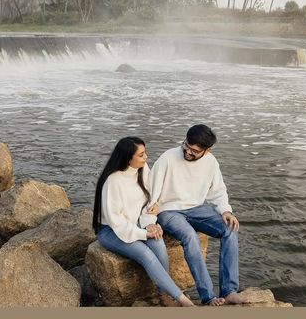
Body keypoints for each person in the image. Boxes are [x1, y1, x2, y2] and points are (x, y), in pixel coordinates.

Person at [147, 124, 247, 306]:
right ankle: (208, 297)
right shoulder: (168, 158)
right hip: (168, 210)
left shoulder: (211, 162)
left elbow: (218, 190)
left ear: (206, 151)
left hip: (196, 209)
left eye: (194, 151)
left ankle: (229, 290)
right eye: (186, 146)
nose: (188, 152)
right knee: (189, 236)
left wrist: (226, 210)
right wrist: (149, 219)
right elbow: (150, 190)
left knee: (230, 229)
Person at [92, 136, 194, 307]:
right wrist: (143, 233)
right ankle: (184, 301)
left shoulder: (142, 169)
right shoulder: (112, 181)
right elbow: (117, 222)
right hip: (111, 231)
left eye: (145, 152)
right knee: (145, 254)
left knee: (158, 242)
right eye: (141, 155)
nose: (146, 157)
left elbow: (152, 198)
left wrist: (150, 221)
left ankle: (164, 294)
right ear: (127, 158)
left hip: (137, 223)